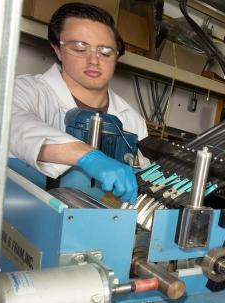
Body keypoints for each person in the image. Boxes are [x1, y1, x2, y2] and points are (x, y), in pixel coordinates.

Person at [9, 2, 146, 203]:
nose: (94, 60)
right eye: (79, 48)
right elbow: (10, 125)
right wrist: (88, 157)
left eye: (106, 51)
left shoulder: (132, 119)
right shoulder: (26, 91)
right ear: (57, 49)